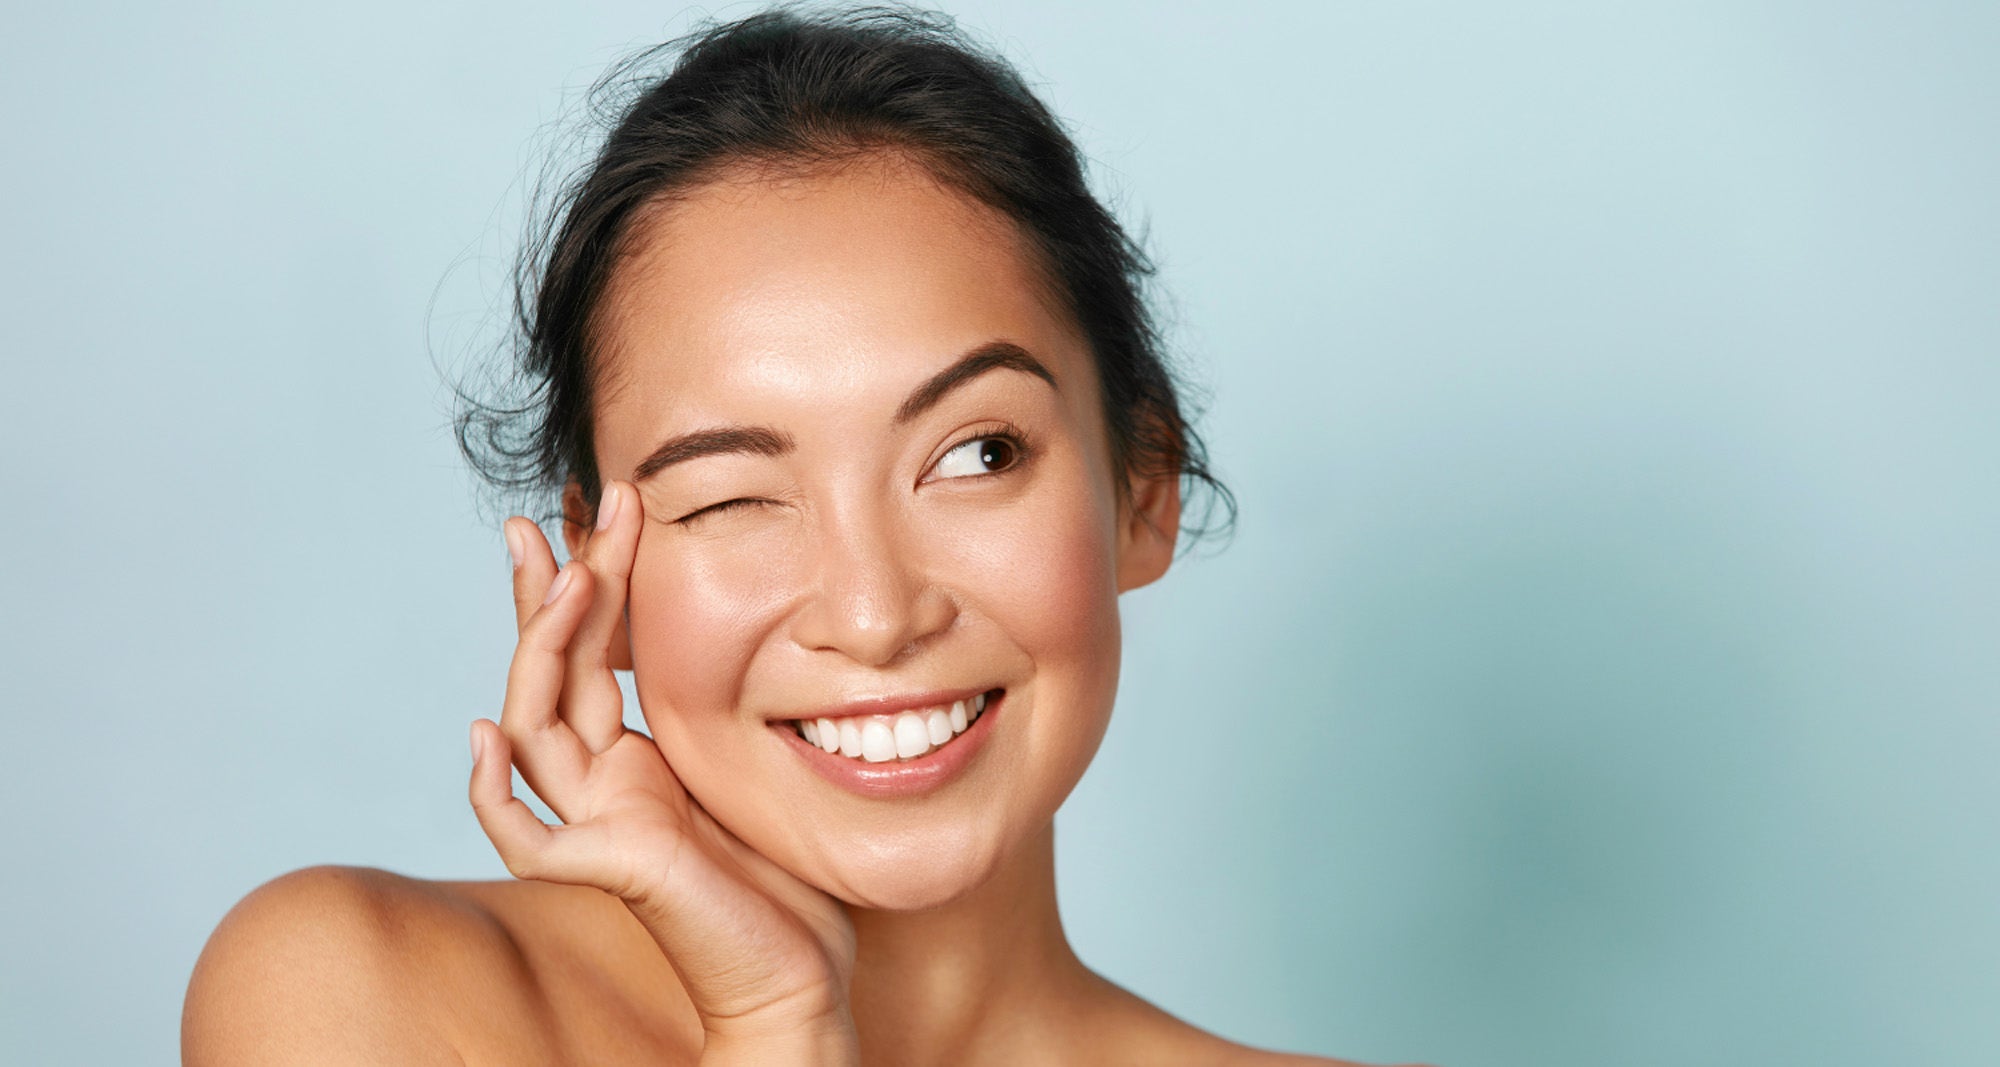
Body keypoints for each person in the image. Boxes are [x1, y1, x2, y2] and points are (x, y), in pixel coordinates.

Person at [183, 7, 1419, 1064]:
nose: (875, 615)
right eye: (728, 495)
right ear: (598, 574)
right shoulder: (365, 994)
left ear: (1140, 488)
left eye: (975, 454)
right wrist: (774, 1020)